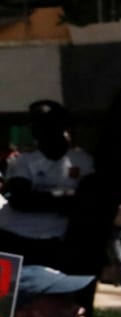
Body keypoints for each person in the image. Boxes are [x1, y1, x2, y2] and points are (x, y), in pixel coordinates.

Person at [0, 101, 92, 273]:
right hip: (11, 238)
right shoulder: (23, 161)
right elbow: (21, 200)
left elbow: (88, 200)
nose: (37, 130)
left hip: (52, 244)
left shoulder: (83, 161)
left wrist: (45, 198)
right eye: (35, 124)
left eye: (46, 123)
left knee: (47, 296)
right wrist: (68, 199)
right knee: (5, 296)